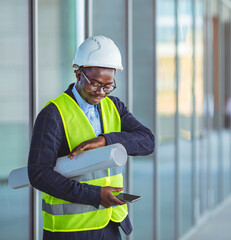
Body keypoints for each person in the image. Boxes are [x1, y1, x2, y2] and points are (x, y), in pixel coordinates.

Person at [27, 35, 155, 240]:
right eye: (95, 84)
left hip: (111, 223)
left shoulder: (114, 107)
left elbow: (148, 141)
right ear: (78, 74)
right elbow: (39, 174)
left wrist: (106, 140)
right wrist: (95, 196)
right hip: (71, 231)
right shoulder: (53, 114)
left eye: (108, 86)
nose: (101, 92)